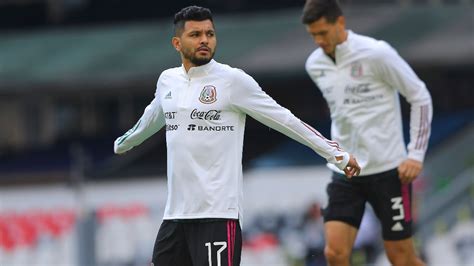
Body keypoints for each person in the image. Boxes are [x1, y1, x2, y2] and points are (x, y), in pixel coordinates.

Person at [114, 5, 361, 266]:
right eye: (195, 34)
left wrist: (336, 154)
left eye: (209, 34)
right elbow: (152, 118)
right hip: (175, 217)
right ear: (177, 43)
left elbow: (285, 120)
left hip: (218, 215)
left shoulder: (233, 81)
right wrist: (123, 143)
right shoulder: (168, 81)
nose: (204, 40)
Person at [301, 1, 433, 266]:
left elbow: (420, 96)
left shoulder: (376, 53)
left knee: (401, 258)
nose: (318, 41)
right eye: (313, 35)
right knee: (334, 253)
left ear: (340, 22)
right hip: (347, 170)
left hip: (389, 171)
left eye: (323, 33)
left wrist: (415, 155)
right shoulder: (314, 65)